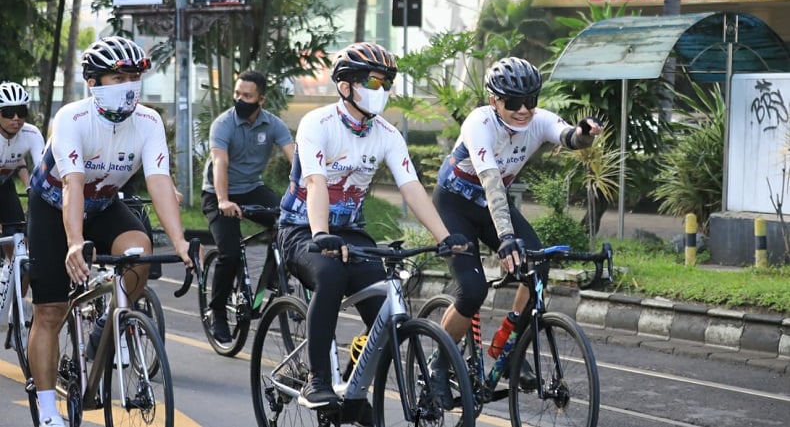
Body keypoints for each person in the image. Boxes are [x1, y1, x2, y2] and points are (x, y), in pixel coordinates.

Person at [277, 42, 468, 413]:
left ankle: (354, 390)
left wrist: (443, 237)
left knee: (387, 314)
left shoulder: (387, 134)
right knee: (331, 276)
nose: (380, 90)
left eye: (385, 83)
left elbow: (411, 188)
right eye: (372, 81)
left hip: (350, 232)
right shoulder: (317, 123)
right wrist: (319, 234)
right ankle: (317, 380)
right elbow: (315, 183)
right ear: (345, 86)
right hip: (302, 229)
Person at [26, 36, 197, 427]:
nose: (127, 84)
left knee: (139, 250)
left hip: (103, 204)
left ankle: (108, 325)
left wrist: (181, 241)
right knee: (50, 310)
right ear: (94, 82)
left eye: (133, 76)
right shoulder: (73, 117)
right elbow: (71, 184)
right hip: (55, 207)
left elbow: (158, 181)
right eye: (117, 76)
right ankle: (49, 409)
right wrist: (73, 243)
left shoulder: (149, 121)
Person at [432, 57, 602, 388]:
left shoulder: (536, 120)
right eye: (513, 102)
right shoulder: (479, 123)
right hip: (455, 205)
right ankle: (440, 363)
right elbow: (492, 181)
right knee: (472, 291)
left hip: (491, 208)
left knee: (536, 267)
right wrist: (506, 237)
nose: (523, 109)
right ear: (494, 100)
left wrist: (584, 133)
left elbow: (568, 136)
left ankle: (509, 348)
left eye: (531, 101)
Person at [201, 70, 295, 343]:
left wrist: (305, 189)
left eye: (247, 96)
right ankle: (217, 311)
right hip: (219, 192)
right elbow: (220, 163)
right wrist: (223, 200)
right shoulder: (224, 124)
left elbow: (296, 158)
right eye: (238, 94)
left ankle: (275, 277)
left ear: (261, 99)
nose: (240, 100)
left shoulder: (273, 125)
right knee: (229, 253)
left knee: (291, 222)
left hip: (252, 188)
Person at [0, 82, 44, 261]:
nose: (16, 118)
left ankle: (11, 273)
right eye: (9, 113)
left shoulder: (31, 134)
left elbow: (43, 172)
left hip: (5, 184)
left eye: (21, 112)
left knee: (18, 240)